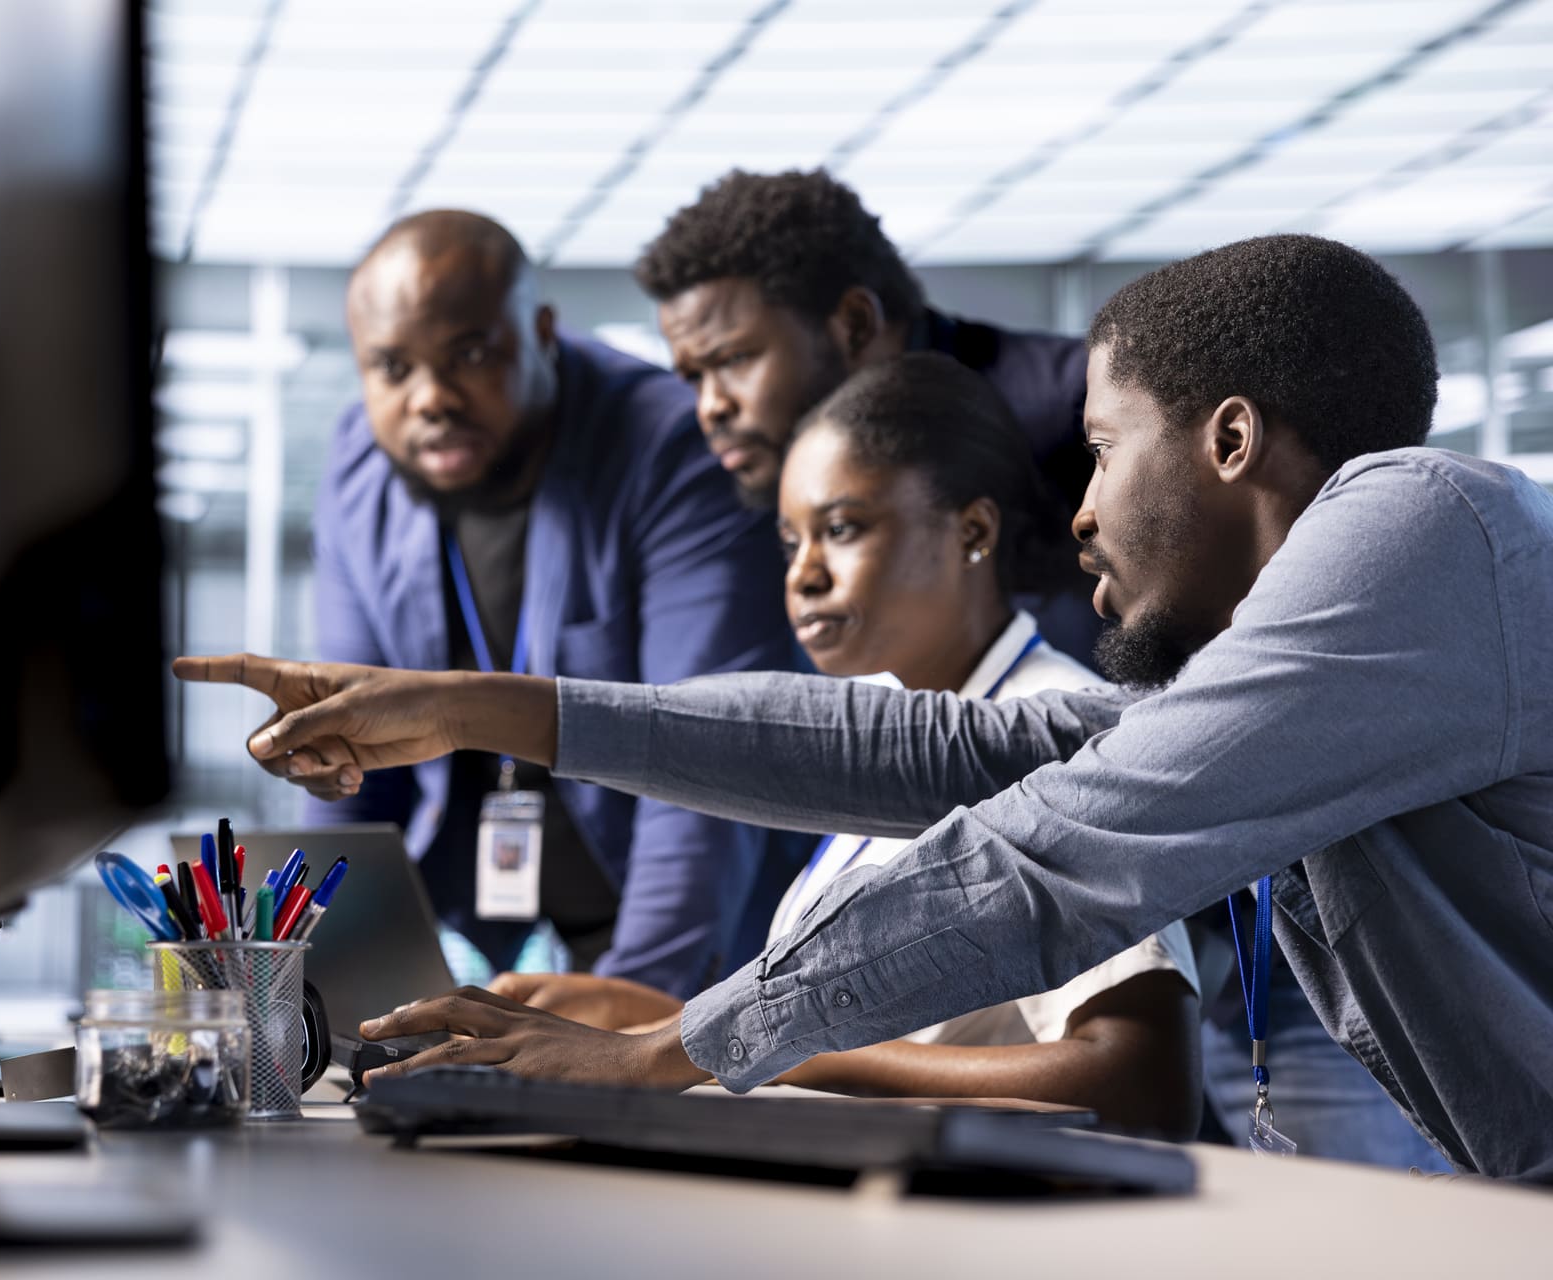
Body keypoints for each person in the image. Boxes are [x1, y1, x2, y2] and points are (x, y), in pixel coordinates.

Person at [178, 233, 1553, 1182]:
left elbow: (1051, 853)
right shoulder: (1318, 665)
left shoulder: (1417, 519)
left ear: (1232, 442)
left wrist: (668, 1053)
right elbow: (942, 751)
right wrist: (480, 710)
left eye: (1101, 450)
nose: (1076, 511)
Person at [492, 353, 1201, 1137]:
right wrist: (688, 1029)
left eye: (841, 529)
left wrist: (747, 1046)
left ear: (973, 532)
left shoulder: (1052, 734)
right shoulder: (886, 720)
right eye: (791, 542)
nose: (804, 576)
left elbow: (1141, 1081)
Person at [299, 209, 800, 997]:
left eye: (469, 354)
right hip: (481, 882)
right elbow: (346, 760)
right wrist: (308, 995)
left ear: (540, 332)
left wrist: (637, 1021)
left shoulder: (672, 449)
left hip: (672, 892)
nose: (430, 398)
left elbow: (708, 760)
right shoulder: (359, 470)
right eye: (392, 368)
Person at [635, 167, 1097, 660]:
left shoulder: (1086, 410)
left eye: (734, 360)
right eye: (693, 378)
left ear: (854, 324)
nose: (711, 408)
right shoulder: (776, 471)